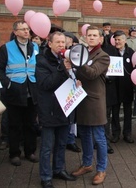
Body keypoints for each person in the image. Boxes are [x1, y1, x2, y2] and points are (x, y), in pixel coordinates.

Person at [0, 20, 39, 166]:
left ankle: (30, 151)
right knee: (14, 124)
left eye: (27, 29)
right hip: (14, 91)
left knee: (31, 124)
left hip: (32, 90)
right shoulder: (6, 48)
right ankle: (14, 153)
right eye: (23, 29)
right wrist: (7, 84)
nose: (26, 31)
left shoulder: (35, 46)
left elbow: (38, 66)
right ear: (15, 32)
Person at [35, 32, 77, 188]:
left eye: (63, 42)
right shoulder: (41, 60)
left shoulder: (65, 58)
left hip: (65, 108)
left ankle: (59, 169)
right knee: (47, 146)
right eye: (58, 42)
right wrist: (62, 69)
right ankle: (46, 176)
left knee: (61, 143)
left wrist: (75, 79)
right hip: (49, 109)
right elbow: (46, 83)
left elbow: (69, 79)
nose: (61, 45)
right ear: (50, 43)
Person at [70, 26, 110, 185]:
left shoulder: (103, 56)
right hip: (82, 99)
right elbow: (78, 73)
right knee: (85, 135)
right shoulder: (83, 53)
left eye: (95, 35)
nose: (91, 37)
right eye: (89, 35)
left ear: (101, 39)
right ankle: (87, 164)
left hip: (95, 101)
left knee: (99, 137)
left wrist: (77, 62)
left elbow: (92, 73)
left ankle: (101, 169)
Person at [109, 30, 135, 144]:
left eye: (119, 39)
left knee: (128, 112)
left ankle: (127, 134)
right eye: (115, 40)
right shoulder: (111, 52)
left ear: (125, 40)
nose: (117, 41)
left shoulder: (131, 52)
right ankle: (116, 134)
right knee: (114, 112)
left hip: (127, 87)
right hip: (114, 87)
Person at [63, 31, 82, 153]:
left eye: (66, 38)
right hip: (61, 88)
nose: (64, 40)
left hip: (73, 87)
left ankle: (70, 140)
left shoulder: (75, 52)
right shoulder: (57, 53)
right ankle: (61, 139)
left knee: (72, 116)